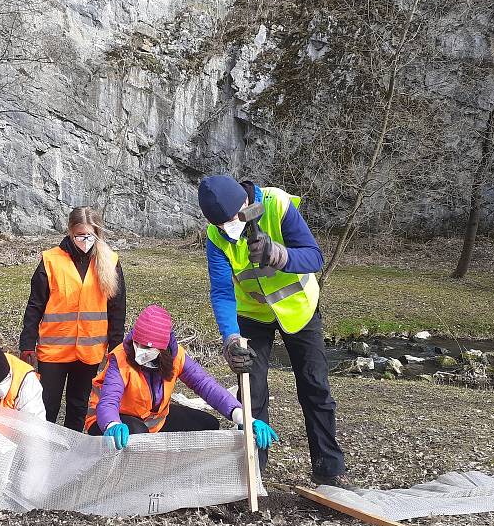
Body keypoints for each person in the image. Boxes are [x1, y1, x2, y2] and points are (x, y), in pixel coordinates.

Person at [197, 175, 349, 487]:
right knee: (251, 393)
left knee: (314, 387)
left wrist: (279, 254)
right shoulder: (216, 235)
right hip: (252, 315)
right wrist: (230, 337)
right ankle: (252, 475)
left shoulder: (276, 204)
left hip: (299, 309)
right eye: (222, 224)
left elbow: (315, 256)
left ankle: (328, 471)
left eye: (233, 220)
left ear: (244, 203)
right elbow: (223, 292)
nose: (230, 228)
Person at [84, 305, 278, 451]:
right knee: (137, 436)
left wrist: (242, 416)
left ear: (162, 349)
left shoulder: (177, 358)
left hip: (152, 421)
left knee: (208, 424)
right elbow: (108, 401)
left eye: (147, 347)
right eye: (137, 343)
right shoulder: (120, 358)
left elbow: (206, 386)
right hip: (109, 424)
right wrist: (112, 423)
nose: (139, 351)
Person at [19, 206, 126, 431]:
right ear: (70, 232)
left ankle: (71, 453)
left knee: (78, 407)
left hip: (89, 352)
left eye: (90, 235)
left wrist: (115, 349)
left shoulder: (109, 261)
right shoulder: (50, 260)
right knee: (47, 406)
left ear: (97, 233)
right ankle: (42, 452)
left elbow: (117, 310)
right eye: (80, 235)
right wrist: (27, 344)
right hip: (54, 351)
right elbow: (34, 306)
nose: (84, 240)